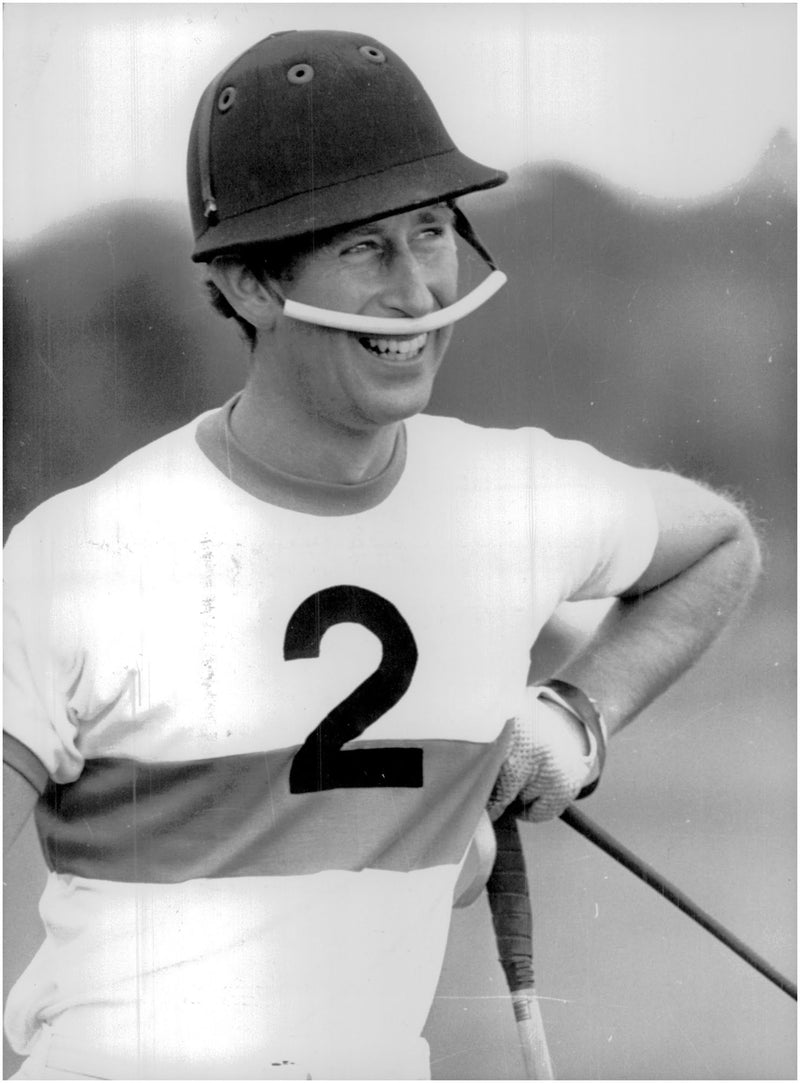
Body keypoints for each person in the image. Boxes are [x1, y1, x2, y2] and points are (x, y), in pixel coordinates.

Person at [3, 29, 760, 1081]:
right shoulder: (80, 554)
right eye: (363, 248)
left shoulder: (508, 499)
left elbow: (717, 543)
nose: (415, 291)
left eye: (431, 230)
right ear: (250, 283)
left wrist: (571, 718)